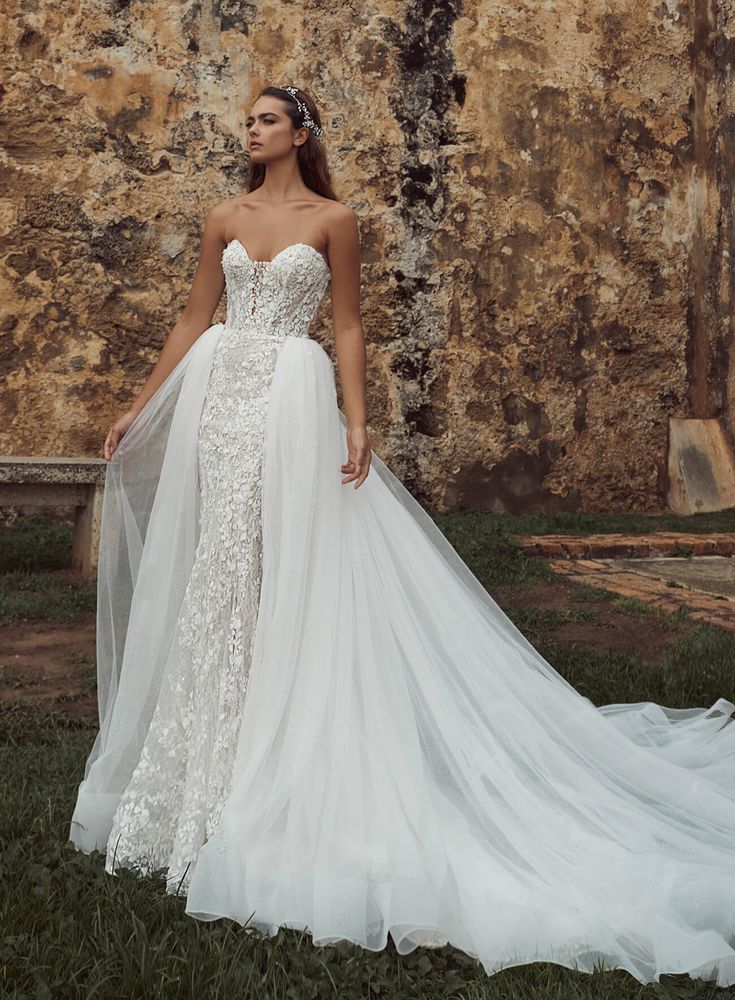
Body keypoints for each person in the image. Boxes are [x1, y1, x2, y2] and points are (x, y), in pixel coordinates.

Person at [69, 84, 735, 988]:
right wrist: (138, 404)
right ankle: (204, 774)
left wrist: (356, 422)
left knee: (284, 563)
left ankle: (284, 756)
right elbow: (195, 318)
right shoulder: (221, 212)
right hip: (219, 401)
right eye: (251, 122)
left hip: (292, 405)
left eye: (267, 119)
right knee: (221, 568)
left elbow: (345, 324)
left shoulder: (336, 218)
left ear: (300, 133)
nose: (252, 131)